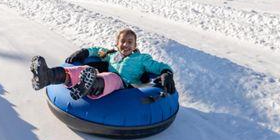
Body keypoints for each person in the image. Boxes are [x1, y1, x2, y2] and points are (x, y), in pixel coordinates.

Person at [30, 28, 175, 100]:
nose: (126, 45)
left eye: (130, 42)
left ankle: (89, 86)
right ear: (117, 44)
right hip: (102, 76)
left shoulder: (142, 59)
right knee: (84, 69)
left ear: (135, 45)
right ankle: (48, 76)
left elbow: (158, 66)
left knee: (112, 78)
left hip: (124, 85)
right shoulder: (111, 54)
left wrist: (166, 73)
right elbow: (98, 51)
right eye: (122, 42)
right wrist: (85, 52)